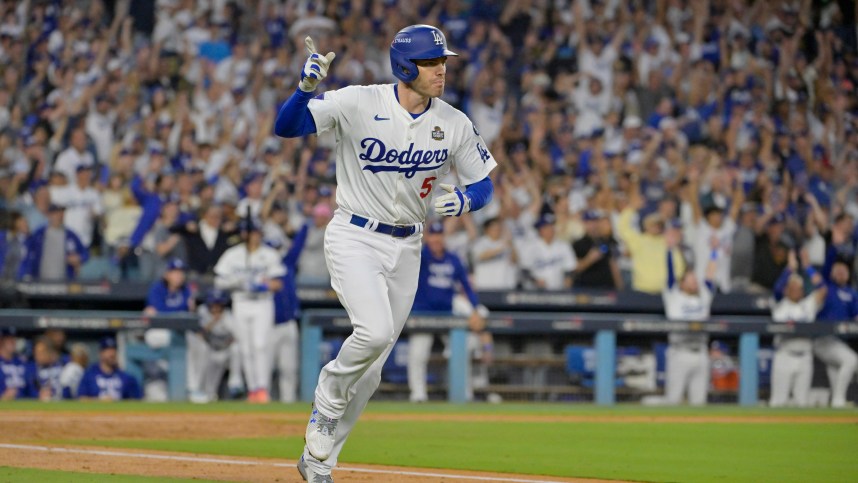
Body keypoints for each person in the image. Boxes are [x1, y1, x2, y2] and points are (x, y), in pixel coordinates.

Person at [274, 26, 496, 482]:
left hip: (408, 245)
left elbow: (484, 182)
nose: (441, 70)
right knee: (373, 333)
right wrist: (305, 89)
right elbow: (287, 127)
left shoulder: (453, 121)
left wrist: (467, 201)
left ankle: (318, 463)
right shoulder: (358, 101)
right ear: (404, 66)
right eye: (432, 63)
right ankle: (326, 403)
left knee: (373, 372)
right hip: (355, 235)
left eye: (443, 62)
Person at [407, 221, 491, 403]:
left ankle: (464, 393)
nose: (436, 239)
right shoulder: (421, 257)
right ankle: (418, 395)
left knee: (463, 348)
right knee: (418, 354)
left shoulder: (453, 259)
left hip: (448, 312)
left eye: (439, 235)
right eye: (433, 235)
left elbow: (466, 287)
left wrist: (475, 308)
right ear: (428, 237)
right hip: (424, 312)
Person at [214, 218, 284, 403]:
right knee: (245, 348)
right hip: (241, 302)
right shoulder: (233, 254)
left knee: (260, 345)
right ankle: (253, 389)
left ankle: (262, 388)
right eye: (250, 232)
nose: (254, 236)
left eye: (256, 232)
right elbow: (218, 280)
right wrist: (237, 282)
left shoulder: (269, 254)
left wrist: (263, 284)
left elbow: (278, 283)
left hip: (262, 302)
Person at [662, 228, 718, 405]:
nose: (695, 282)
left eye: (695, 279)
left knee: (699, 402)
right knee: (673, 399)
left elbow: (709, 275)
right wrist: (670, 250)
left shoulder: (703, 296)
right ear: (682, 283)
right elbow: (670, 275)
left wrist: (714, 251)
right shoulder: (674, 296)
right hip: (679, 351)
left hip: (700, 352)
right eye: (690, 279)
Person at [769, 251, 827, 407]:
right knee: (778, 402)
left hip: (805, 356)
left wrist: (808, 267)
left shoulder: (807, 305)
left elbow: (822, 289)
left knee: (802, 403)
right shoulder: (779, 305)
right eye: (792, 287)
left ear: (802, 290)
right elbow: (776, 288)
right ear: (787, 289)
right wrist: (789, 269)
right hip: (784, 355)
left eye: (798, 287)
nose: (795, 290)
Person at [812, 249, 858, 408]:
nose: (840, 272)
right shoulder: (827, 287)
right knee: (851, 360)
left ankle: (836, 404)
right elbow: (826, 265)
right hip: (823, 339)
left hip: (839, 342)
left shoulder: (852, 293)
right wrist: (834, 244)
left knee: (837, 368)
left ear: (848, 274)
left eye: (843, 270)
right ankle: (838, 400)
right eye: (836, 269)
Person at [271, 222, 310, 403]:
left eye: (278, 247)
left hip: (288, 323)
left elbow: (298, 246)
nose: (276, 252)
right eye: (273, 248)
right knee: (266, 367)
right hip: (268, 325)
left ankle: (288, 402)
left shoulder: (287, 264)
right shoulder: (263, 269)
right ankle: (260, 403)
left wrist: (306, 224)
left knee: (289, 367)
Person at [187, 289, 236, 403]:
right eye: (213, 304)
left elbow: (236, 337)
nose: (216, 307)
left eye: (219, 304)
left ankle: (234, 383)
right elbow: (199, 333)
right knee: (203, 353)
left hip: (222, 350)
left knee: (235, 351)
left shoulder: (228, 315)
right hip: (205, 348)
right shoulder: (202, 312)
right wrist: (213, 321)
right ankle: (196, 389)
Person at [18, 204, 89, 280]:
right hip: (41, 281)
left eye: (62, 213)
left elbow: (85, 253)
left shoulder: (70, 235)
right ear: (49, 215)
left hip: (65, 281)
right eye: (57, 213)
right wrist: (25, 273)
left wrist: (79, 258)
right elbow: (27, 252)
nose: (60, 216)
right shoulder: (40, 233)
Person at [518, 213, 577, 290]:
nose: (550, 229)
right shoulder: (530, 247)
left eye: (551, 226)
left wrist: (568, 280)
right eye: (546, 227)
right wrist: (535, 281)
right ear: (540, 230)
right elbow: (524, 271)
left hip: (558, 291)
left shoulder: (564, 246)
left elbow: (570, 268)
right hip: (534, 293)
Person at [78, 337, 142, 401]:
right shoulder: (89, 375)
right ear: (101, 353)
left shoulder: (126, 377)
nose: (112, 354)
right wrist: (100, 400)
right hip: (97, 410)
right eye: (108, 350)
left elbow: (137, 399)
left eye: (114, 350)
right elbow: (81, 398)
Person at [572, 209, 623, 289]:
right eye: (589, 222)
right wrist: (589, 259)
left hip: (607, 287)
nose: (593, 225)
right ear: (584, 223)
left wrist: (620, 287)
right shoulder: (578, 244)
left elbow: (613, 266)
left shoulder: (607, 241)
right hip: (586, 288)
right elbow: (574, 269)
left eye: (595, 222)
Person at [23, 336, 63, 401]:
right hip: (41, 404)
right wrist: (38, 394)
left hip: (62, 401)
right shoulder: (31, 369)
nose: (37, 355)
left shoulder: (62, 364)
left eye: (41, 352)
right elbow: (27, 391)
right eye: (36, 352)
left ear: (50, 352)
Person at [0, 328, 26, 400]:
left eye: (14, 338)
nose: (12, 341)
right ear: (1, 341)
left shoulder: (21, 362)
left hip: (24, 402)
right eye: (8, 338)